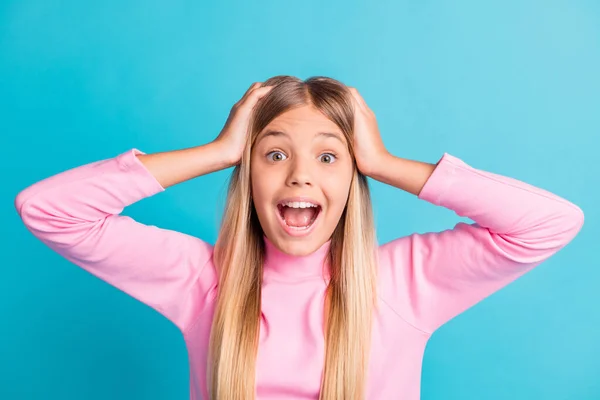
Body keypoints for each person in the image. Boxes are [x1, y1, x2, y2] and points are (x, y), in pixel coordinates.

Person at [14, 75, 584, 400]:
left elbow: (549, 223)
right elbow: (47, 210)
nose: (300, 176)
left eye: (330, 156)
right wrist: (218, 153)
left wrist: (384, 163)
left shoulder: (404, 283)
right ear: (249, 174)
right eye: (275, 154)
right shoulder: (202, 280)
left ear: (353, 176)